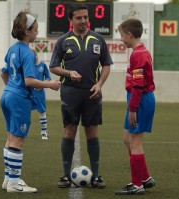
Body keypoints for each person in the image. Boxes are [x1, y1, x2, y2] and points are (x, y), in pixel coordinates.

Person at [49, 4, 113, 189]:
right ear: (71, 20)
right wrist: (68, 73)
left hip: (92, 93)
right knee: (69, 131)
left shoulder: (98, 39)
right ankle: (65, 175)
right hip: (70, 93)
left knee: (92, 132)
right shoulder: (63, 41)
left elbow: (107, 65)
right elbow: (53, 67)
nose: (83, 21)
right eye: (79, 18)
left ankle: (96, 177)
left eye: (85, 17)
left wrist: (99, 84)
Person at [0, 10, 61, 193]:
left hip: (7, 95)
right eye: (35, 29)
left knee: (10, 138)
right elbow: (29, 81)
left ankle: (8, 179)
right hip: (18, 99)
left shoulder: (13, 49)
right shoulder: (27, 52)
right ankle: (14, 183)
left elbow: (3, 72)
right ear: (27, 31)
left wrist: (11, 87)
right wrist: (50, 84)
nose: (37, 32)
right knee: (17, 140)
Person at [115, 18, 156, 195]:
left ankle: (137, 184)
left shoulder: (138, 54)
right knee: (127, 139)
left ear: (130, 35)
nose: (121, 39)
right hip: (137, 99)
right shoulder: (140, 51)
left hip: (140, 100)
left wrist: (133, 109)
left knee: (135, 142)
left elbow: (138, 85)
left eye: (122, 35)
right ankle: (145, 178)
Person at [31, 48, 51, 140]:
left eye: (34, 54)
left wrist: (42, 84)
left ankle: (44, 133)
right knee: (25, 111)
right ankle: (22, 131)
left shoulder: (42, 65)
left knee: (42, 112)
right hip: (28, 92)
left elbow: (48, 77)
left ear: (36, 54)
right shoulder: (27, 65)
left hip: (39, 93)